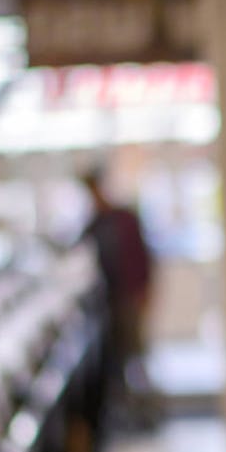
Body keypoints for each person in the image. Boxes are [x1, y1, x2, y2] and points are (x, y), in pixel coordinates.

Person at [80, 171, 156, 429]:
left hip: (130, 298)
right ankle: (127, 415)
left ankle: (148, 414)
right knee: (119, 359)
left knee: (136, 356)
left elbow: (144, 258)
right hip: (110, 303)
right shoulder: (95, 224)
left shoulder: (124, 219)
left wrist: (145, 292)